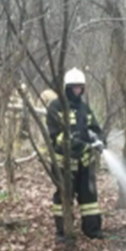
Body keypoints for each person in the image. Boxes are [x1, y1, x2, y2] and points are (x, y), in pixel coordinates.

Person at [46, 68, 106, 240]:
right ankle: (64, 231)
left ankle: (92, 230)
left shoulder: (84, 108)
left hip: (85, 163)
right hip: (64, 164)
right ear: (67, 88)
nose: (78, 91)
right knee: (64, 197)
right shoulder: (56, 107)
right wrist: (83, 146)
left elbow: (95, 128)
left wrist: (100, 140)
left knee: (89, 198)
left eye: (80, 87)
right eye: (74, 87)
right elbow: (58, 137)